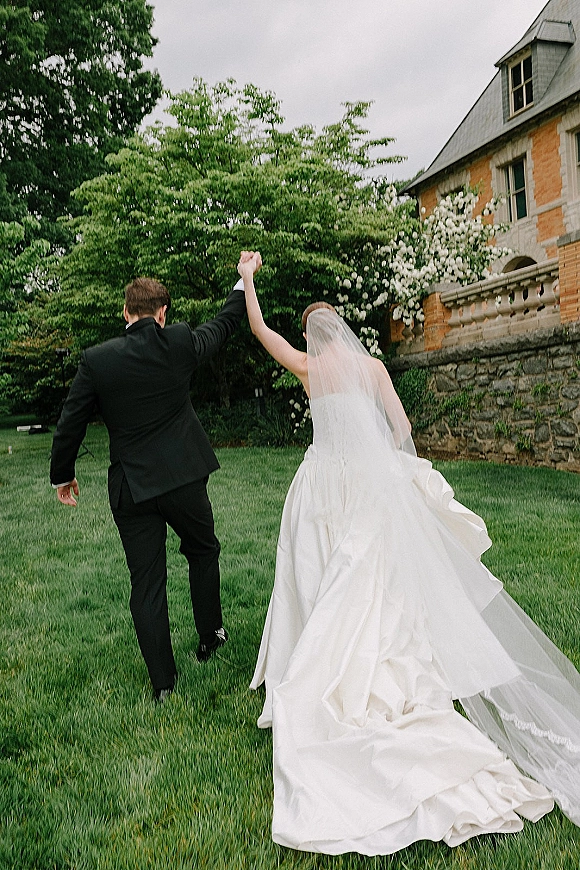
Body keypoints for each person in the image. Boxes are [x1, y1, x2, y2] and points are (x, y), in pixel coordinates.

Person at [237, 251, 580, 855]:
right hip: (368, 487)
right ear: (341, 325)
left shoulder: (309, 369)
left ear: (314, 337)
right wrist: (393, 471)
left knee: (314, 571)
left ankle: (311, 657)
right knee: (372, 583)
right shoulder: (371, 368)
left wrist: (248, 279)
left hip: (321, 485)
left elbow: (259, 329)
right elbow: (399, 431)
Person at [50, 261, 256, 702]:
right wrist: (244, 279)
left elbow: (70, 423)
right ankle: (210, 636)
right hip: (183, 479)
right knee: (202, 550)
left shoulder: (97, 360)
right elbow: (222, 325)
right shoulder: (179, 342)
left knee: (146, 583)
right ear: (161, 313)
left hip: (132, 488)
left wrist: (62, 475)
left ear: (126, 313)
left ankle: (163, 685)